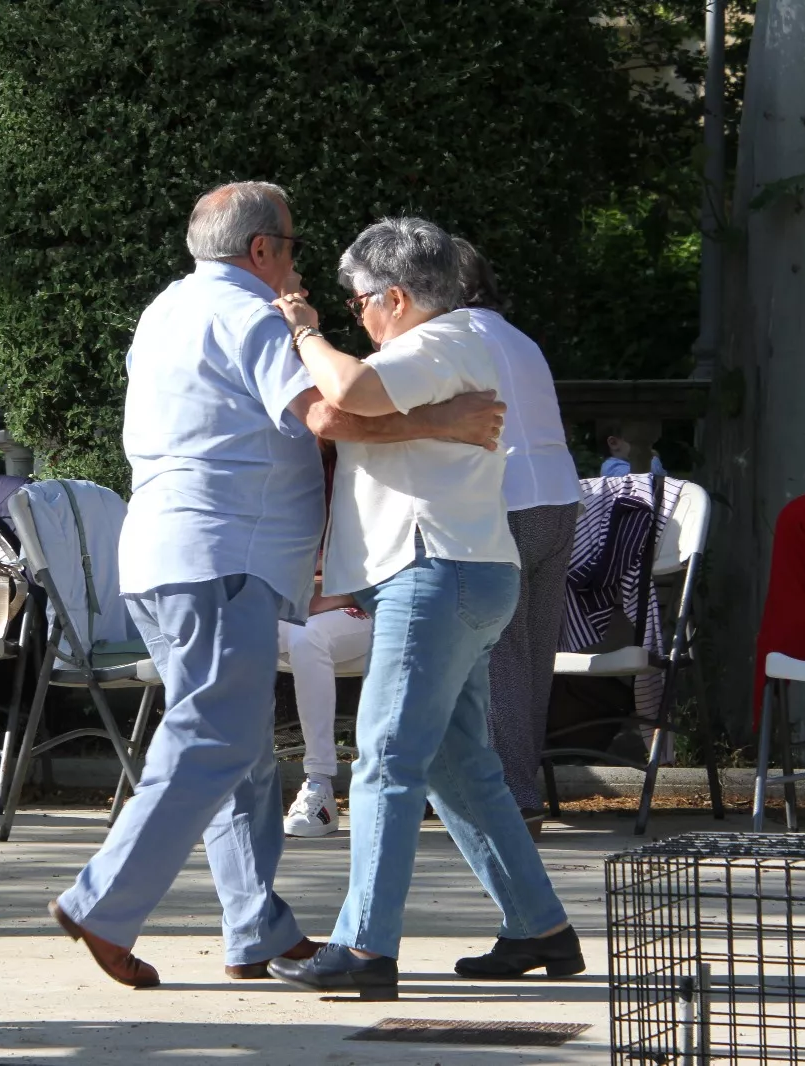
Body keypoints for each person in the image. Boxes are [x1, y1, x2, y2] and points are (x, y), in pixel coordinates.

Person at [50, 182, 508, 990]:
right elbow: (328, 416)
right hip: (223, 554)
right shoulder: (251, 313)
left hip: (169, 554)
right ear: (260, 249)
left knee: (246, 752)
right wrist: (448, 421)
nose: (295, 264)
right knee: (216, 738)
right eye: (291, 246)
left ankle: (254, 927)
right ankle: (103, 901)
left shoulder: (166, 307)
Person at [269, 218, 583, 1001]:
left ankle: (365, 945)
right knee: (456, 764)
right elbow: (348, 414)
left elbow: (343, 394)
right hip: (460, 572)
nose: (356, 318)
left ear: (398, 298)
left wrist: (303, 328)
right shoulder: (452, 344)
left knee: (384, 761)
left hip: (435, 574)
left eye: (360, 304)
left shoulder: (437, 342)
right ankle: (538, 927)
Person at [453, 238, 580, 835]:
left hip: (508, 500)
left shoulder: (452, 337)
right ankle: (521, 787)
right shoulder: (515, 336)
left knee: (498, 653)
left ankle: (512, 800)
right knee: (532, 657)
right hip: (558, 495)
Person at [279, 447, 373, 838]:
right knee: (226, 633)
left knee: (307, 637)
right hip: (292, 604)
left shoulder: (374, 465)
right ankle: (221, 786)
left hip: (364, 609)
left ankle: (319, 786)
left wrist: (334, 593)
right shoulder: (280, 468)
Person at [599, 420, 666, 477]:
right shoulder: (611, 467)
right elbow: (644, 479)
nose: (646, 446)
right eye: (639, 440)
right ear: (613, 443)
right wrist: (653, 458)